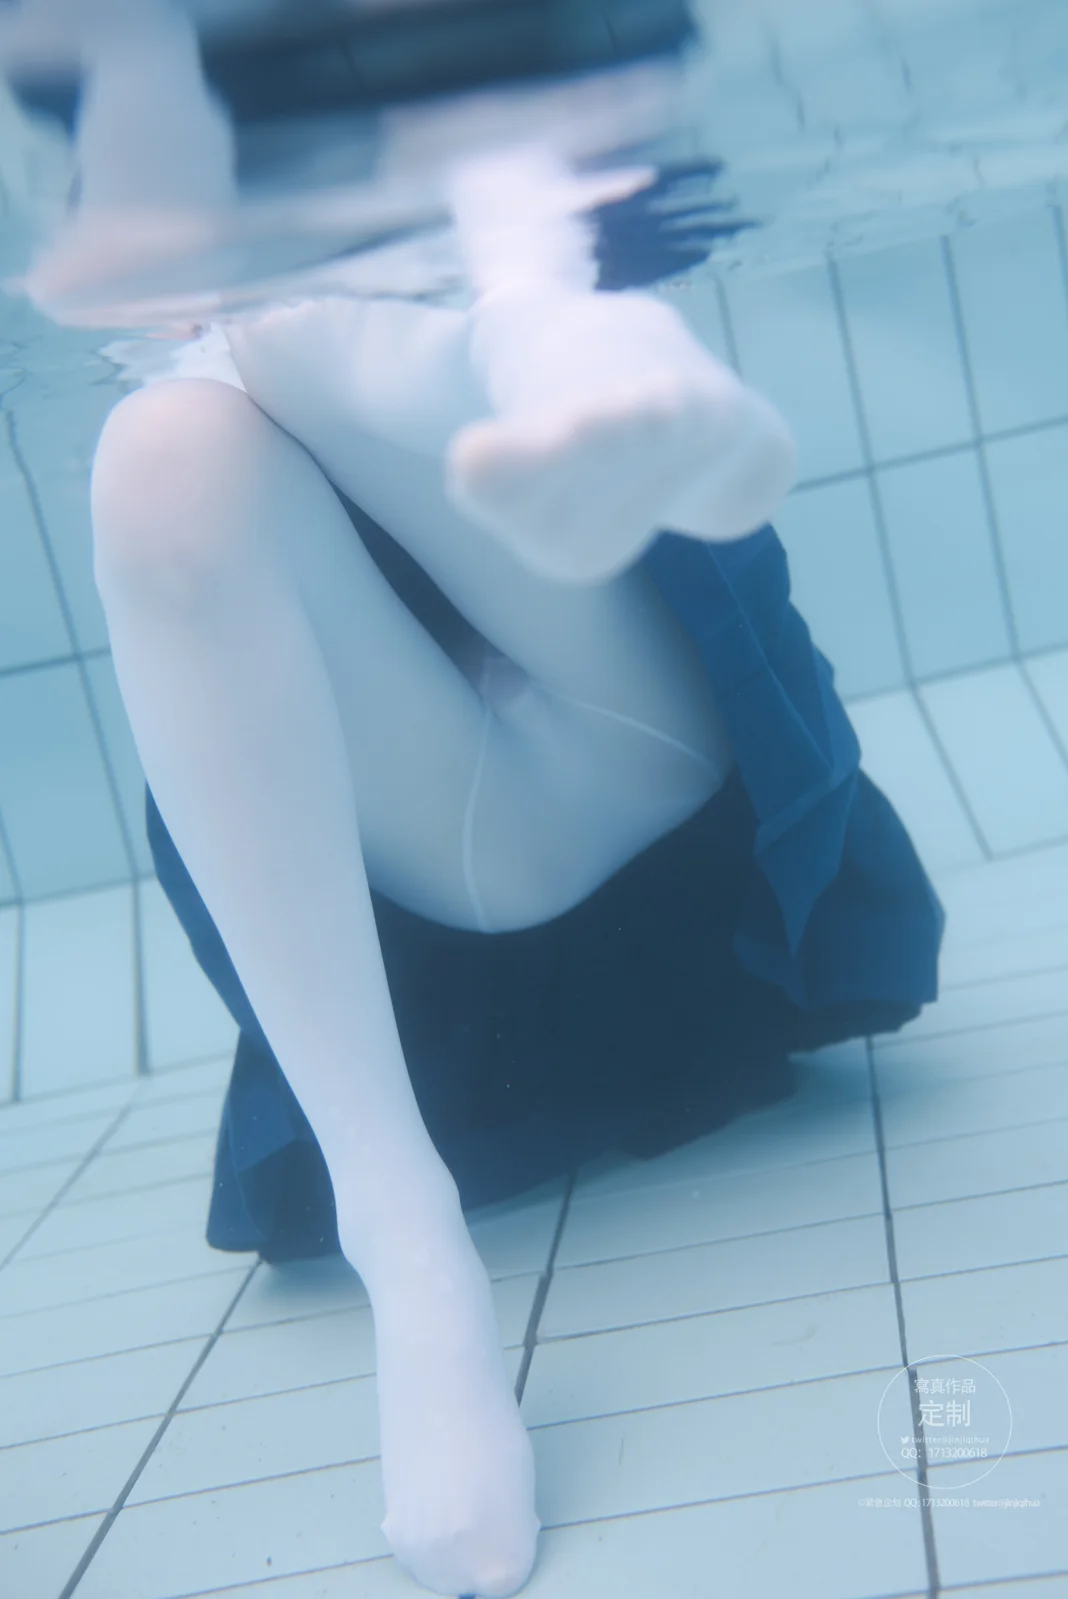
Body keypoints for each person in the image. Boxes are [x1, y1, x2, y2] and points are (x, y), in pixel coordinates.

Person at [6, 6, 945, 1595]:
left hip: (656, 782)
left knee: (277, 326)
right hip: (470, 878)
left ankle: (540, 323)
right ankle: (410, 1245)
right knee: (158, 446)